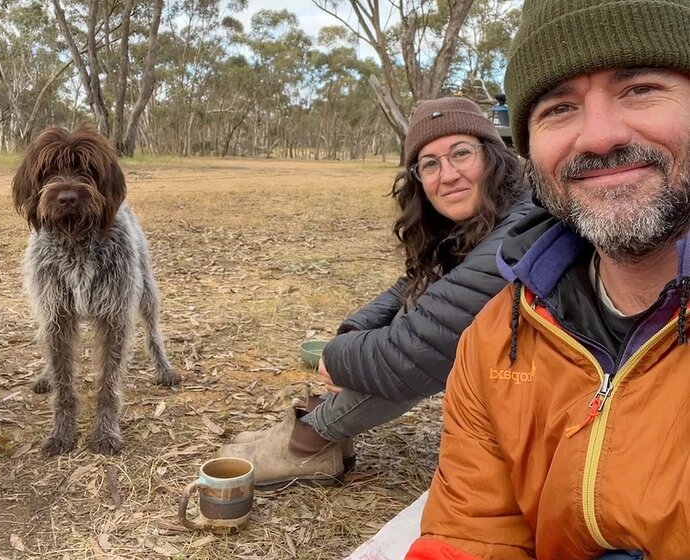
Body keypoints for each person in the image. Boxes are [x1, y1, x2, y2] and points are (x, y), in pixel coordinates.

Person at [405, 0, 690, 558]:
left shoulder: (508, 242)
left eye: (640, 89)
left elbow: (408, 345)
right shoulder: (497, 340)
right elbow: (470, 536)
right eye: (559, 108)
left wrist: (340, 363)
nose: (599, 137)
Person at [216, 97, 533, 488]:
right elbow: (415, 286)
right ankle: (323, 425)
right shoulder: (486, 215)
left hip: (551, 403)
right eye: (430, 164)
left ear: (493, 157)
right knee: (410, 319)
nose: (448, 175)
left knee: (412, 353)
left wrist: (339, 357)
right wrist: (354, 330)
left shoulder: (520, 234)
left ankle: (309, 442)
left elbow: (418, 350)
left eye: (461, 153)